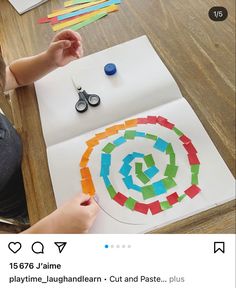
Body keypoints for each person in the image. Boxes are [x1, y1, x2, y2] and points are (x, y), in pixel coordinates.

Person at [0, 30, 99, 233]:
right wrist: (52, 229)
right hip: (33, 208)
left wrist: (48, 60)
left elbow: (14, 76)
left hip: (42, 162)